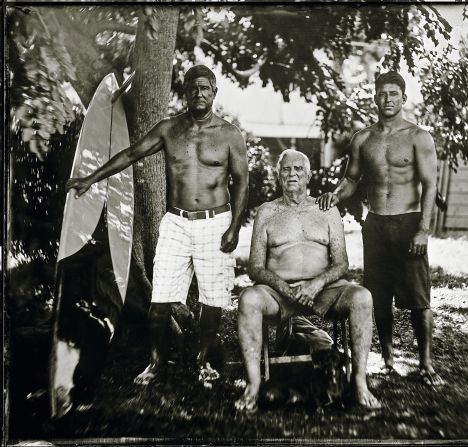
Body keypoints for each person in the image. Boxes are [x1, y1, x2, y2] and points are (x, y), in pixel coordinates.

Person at [65, 65, 249, 384]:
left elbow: (243, 181)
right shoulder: (169, 129)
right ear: (186, 92)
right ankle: (157, 362)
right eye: (193, 88)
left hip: (215, 223)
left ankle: (203, 360)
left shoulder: (229, 134)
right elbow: (131, 154)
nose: (199, 93)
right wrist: (90, 179)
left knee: (214, 300)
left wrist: (233, 227)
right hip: (175, 223)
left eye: (205, 88)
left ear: (215, 92)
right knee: (160, 299)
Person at [317, 71, 444, 387]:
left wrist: (424, 230)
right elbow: (351, 179)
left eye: (393, 93)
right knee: (378, 296)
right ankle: (387, 361)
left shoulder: (419, 137)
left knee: (418, 298)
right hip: (375, 224)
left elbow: (430, 185)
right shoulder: (363, 138)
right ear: (374, 98)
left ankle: (426, 363)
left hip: (409, 221)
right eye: (381, 94)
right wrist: (336, 193)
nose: (387, 99)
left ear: (403, 97)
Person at [235, 149, 380, 413]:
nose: (292, 174)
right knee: (248, 298)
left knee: (362, 297)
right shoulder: (267, 212)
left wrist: (315, 285)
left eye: (298, 169)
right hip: (279, 292)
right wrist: (285, 288)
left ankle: (359, 382)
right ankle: (254, 385)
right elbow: (255, 267)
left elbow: (341, 263)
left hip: (324, 290)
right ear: (278, 175)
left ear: (309, 175)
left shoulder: (326, 210)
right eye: (287, 169)